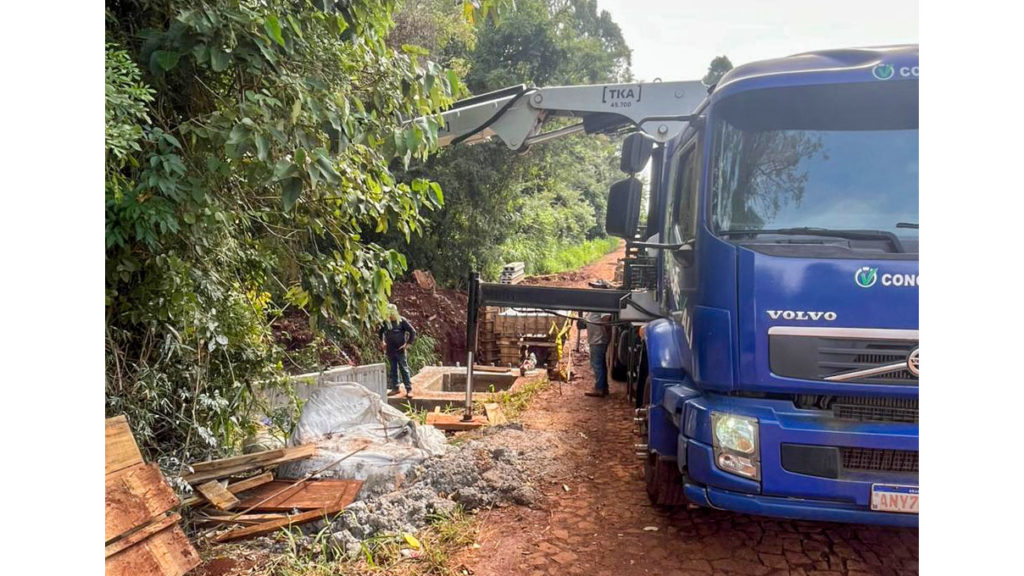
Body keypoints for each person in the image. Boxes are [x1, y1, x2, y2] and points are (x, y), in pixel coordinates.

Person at [378, 304, 417, 398]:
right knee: (393, 369)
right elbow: (380, 332)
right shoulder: (386, 322)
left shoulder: (402, 321)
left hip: (400, 349)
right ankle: (395, 388)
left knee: (404, 369)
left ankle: (409, 389)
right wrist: (382, 341)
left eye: (391, 313)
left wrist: (407, 344)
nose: (390, 316)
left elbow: (412, 332)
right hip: (390, 349)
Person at [584, 309, 612, 397]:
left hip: (598, 340)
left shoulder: (602, 305)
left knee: (597, 364)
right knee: (601, 364)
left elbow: (606, 319)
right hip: (596, 339)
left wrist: (606, 335)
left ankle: (599, 388)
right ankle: (603, 387)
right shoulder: (595, 306)